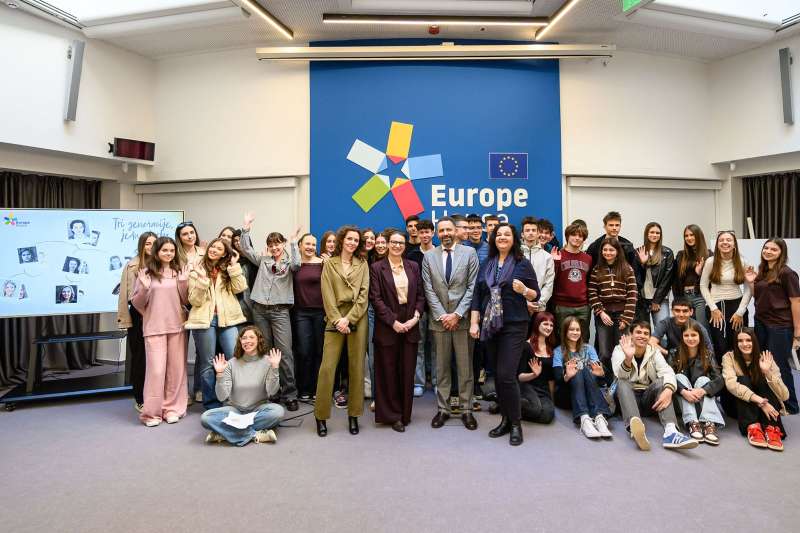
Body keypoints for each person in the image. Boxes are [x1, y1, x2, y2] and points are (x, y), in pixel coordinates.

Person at [470, 223, 539, 446]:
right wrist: (474, 322)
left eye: (506, 234)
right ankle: (506, 420)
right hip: (491, 327)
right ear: (493, 239)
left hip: (515, 325)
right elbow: (478, 295)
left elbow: (536, 294)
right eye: (498, 234)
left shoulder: (522, 264)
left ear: (513, 239)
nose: (502, 237)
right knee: (498, 376)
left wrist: (524, 291)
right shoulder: (487, 264)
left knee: (507, 374)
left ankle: (516, 424)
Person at [239, 213, 302, 412]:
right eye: (271, 244)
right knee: (265, 352)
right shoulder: (263, 260)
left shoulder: (289, 263)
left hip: (279, 312)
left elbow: (297, 265)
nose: (274, 247)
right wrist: (246, 228)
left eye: (277, 244)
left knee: (285, 353)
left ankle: (290, 394)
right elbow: (246, 249)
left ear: (282, 244)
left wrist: (294, 243)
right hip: (259, 311)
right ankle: (271, 392)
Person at [422, 217, 479, 431]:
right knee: (442, 368)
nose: (445, 233)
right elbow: (428, 288)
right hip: (439, 322)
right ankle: (443, 409)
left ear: (455, 231)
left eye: (448, 229)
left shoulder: (469, 253)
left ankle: (466, 410)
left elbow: (472, 286)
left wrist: (457, 314)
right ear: (437, 234)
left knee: (465, 369)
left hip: (462, 321)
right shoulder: (429, 256)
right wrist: (443, 315)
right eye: (441, 230)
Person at [314, 226, 370, 436]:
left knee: (356, 367)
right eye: (349, 239)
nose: (352, 243)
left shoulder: (363, 264)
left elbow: (364, 294)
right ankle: (320, 416)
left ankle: (354, 415)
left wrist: (350, 319)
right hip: (334, 318)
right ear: (342, 241)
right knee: (327, 368)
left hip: (357, 318)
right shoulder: (330, 263)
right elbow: (326, 292)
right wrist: (338, 320)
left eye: (356, 240)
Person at [369, 230, 425, 432]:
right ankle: (392, 415)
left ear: (405, 246)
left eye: (401, 243)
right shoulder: (377, 268)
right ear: (387, 244)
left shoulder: (413, 266)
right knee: (388, 371)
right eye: (393, 242)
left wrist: (415, 318)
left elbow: (421, 295)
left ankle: (405, 413)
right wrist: (393, 322)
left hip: (410, 322)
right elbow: (375, 298)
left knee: (407, 371)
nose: (397, 246)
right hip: (387, 325)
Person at [131, 236, 189, 427]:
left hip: (177, 327)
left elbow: (186, 300)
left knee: (175, 371)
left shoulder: (179, 272)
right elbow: (137, 304)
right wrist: (144, 287)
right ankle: (152, 414)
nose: (169, 253)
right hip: (154, 328)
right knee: (156, 372)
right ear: (156, 252)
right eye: (165, 250)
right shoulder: (146, 273)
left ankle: (171, 409)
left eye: (172, 250)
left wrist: (183, 282)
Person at [611, 322, 698, 450]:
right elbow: (620, 375)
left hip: (647, 398)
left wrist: (669, 390)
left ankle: (671, 432)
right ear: (631, 335)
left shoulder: (654, 352)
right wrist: (628, 358)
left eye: (646, 333)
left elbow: (667, 372)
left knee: (663, 381)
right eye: (638, 332)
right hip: (627, 398)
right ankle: (635, 426)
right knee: (621, 382)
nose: (642, 336)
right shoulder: (619, 349)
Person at [185, 237, 248, 410]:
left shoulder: (228, 269)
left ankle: (236, 400)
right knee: (207, 363)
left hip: (228, 319)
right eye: (213, 246)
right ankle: (212, 404)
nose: (214, 250)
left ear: (224, 254)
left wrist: (234, 266)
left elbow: (240, 288)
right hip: (204, 320)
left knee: (234, 358)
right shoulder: (197, 268)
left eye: (219, 249)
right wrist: (202, 280)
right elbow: (194, 300)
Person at [201, 326, 286, 446]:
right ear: (240, 341)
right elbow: (221, 397)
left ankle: (224, 433)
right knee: (206, 417)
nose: (247, 341)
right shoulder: (231, 363)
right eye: (244, 338)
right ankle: (254, 434)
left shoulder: (268, 361)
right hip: (234, 410)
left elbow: (272, 391)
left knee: (278, 412)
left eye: (251, 337)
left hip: (258, 409)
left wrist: (275, 368)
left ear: (259, 340)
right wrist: (219, 374)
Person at [745, 237, 800, 414]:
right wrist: (751, 282)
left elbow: (796, 302)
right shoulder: (762, 271)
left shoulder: (787, 273)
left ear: (781, 253)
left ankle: (791, 405)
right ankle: (773, 401)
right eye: (766, 248)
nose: (768, 251)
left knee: (779, 365)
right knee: (763, 364)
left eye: (773, 249)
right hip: (761, 323)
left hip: (780, 326)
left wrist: (797, 332)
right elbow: (759, 297)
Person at [722, 329, 788, 451]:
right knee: (743, 379)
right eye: (740, 341)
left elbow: (784, 396)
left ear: (754, 341)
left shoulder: (765, 358)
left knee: (764, 380)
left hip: (762, 404)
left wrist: (767, 372)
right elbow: (731, 385)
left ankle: (771, 429)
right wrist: (761, 402)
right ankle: (753, 427)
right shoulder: (729, 357)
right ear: (736, 343)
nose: (744, 344)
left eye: (748, 340)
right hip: (738, 406)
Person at [117, 231, 158, 412]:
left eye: (154, 243)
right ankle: (140, 398)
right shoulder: (132, 265)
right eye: (148, 243)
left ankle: (157, 396)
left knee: (156, 359)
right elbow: (125, 295)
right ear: (142, 245)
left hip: (158, 313)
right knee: (140, 357)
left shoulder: (163, 263)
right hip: (138, 315)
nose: (151, 247)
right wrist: (125, 319)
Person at [553, 317, 612, 439]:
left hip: (589, 393)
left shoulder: (589, 349)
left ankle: (599, 418)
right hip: (567, 395)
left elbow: (601, 381)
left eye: (577, 330)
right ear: (565, 331)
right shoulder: (558, 351)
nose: (575, 332)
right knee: (579, 370)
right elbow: (558, 380)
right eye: (571, 329)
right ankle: (584, 418)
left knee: (583, 369)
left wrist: (601, 375)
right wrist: (567, 376)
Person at [668, 321, 725, 445]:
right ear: (682, 337)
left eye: (693, 335)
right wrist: (684, 391)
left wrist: (703, 390)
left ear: (700, 336)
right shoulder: (673, 353)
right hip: (682, 402)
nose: (690, 338)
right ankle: (692, 422)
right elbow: (668, 377)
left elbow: (719, 379)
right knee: (678, 376)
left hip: (702, 402)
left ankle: (709, 423)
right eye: (686, 335)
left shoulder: (708, 354)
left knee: (703, 380)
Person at [588, 237, 637, 374]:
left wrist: (626, 319)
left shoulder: (627, 269)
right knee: (604, 352)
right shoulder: (597, 269)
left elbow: (632, 295)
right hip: (604, 315)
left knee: (620, 350)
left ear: (617, 251)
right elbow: (592, 292)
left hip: (622, 315)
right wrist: (600, 312)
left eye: (611, 250)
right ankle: (604, 380)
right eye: (605, 250)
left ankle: (619, 380)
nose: (608, 252)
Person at [699, 230, 751, 362]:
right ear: (717, 244)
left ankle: (739, 372)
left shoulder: (743, 262)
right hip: (716, 307)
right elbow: (703, 286)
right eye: (721, 240)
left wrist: (740, 312)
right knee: (720, 345)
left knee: (738, 343)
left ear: (734, 244)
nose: (725, 242)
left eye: (728, 240)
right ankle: (723, 373)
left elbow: (748, 289)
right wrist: (713, 308)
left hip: (737, 306)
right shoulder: (711, 261)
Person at [293, 233, 325, 402]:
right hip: (301, 313)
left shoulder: (323, 263)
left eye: (313, 244)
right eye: (307, 244)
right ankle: (304, 389)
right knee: (304, 351)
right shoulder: (294, 264)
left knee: (319, 351)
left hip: (321, 312)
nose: (311, 247)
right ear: (300, 246)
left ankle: (317, 389)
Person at [551, 222, 593, 341]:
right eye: (574, 235)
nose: (577, 238)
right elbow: (551, 280)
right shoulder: (558, 255)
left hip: (583, 306)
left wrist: (589, 303)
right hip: (562, 305)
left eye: (580, 236)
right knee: (562, 339)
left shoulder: (588, 258)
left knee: (583, 339)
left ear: (584, 239)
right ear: (567, 236)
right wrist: (555, 262)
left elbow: (590, 282)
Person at [408, 219, 436, 397]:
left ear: (433, 233)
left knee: (436, 347)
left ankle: (437, 381)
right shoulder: (411, 256)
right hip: (418, 308)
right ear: (417, 234)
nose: (425, 235)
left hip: (437, 308)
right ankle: (418, 382)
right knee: (418, 345)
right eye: (422, 232)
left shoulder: (440, 253)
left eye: (427, 232)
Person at [518, 313, 558, 421]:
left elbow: (551, 379)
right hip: (527, 386)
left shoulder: (551, 349)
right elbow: (520, 377)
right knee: (535, 409)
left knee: (548, 415)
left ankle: (511, 408)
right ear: (537, 324)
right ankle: (505, 403)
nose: (549, 328)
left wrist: (551, 401)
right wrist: (534, 374)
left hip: (543, 390)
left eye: (551, 325)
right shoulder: (526, 346)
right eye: (545, 324)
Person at [634, 222, 674, 327]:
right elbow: (635, 277)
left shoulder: (667, 252)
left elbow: (668, 278)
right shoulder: (638, 251)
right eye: (652, 232)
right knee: (642, 331)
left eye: (657, 233)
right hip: (642, 299)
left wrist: (656, 300)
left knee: (662, 329)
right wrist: (642, 264)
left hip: (660, 299)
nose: (654, 235)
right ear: (646, 234)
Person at [673, 224, 711, 330]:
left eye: (692, 235)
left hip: (700, 296)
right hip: (685, 297)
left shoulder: (708, 254)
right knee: (687, 328)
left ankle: (707, 342)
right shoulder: (681, 255)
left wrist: (700, 273)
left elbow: (713, 279)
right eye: (686, 236)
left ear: (698, 236)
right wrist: (678, 299)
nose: (689, 238)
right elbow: (676, 279)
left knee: (701, 328)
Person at [649, 297, 713, 356]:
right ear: (672, 311)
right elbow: (651, 342)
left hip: (693, 357)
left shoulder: (699, 327)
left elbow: (709, 351)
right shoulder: (666, 323)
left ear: (691, 312)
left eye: (685, 311)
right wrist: (668, 354)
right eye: (677, 310)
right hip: (673, 355)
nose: (681, 314)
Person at [520, 216, 554, 313]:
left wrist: (538, 302)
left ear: (538, 233)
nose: (531, 233)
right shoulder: (515, 255)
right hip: (518, 307)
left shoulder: (547, 257)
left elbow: (548, 284)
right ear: (522, 234)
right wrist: (523, 303)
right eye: (527, 230)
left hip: (538, 308)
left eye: (533, 230)